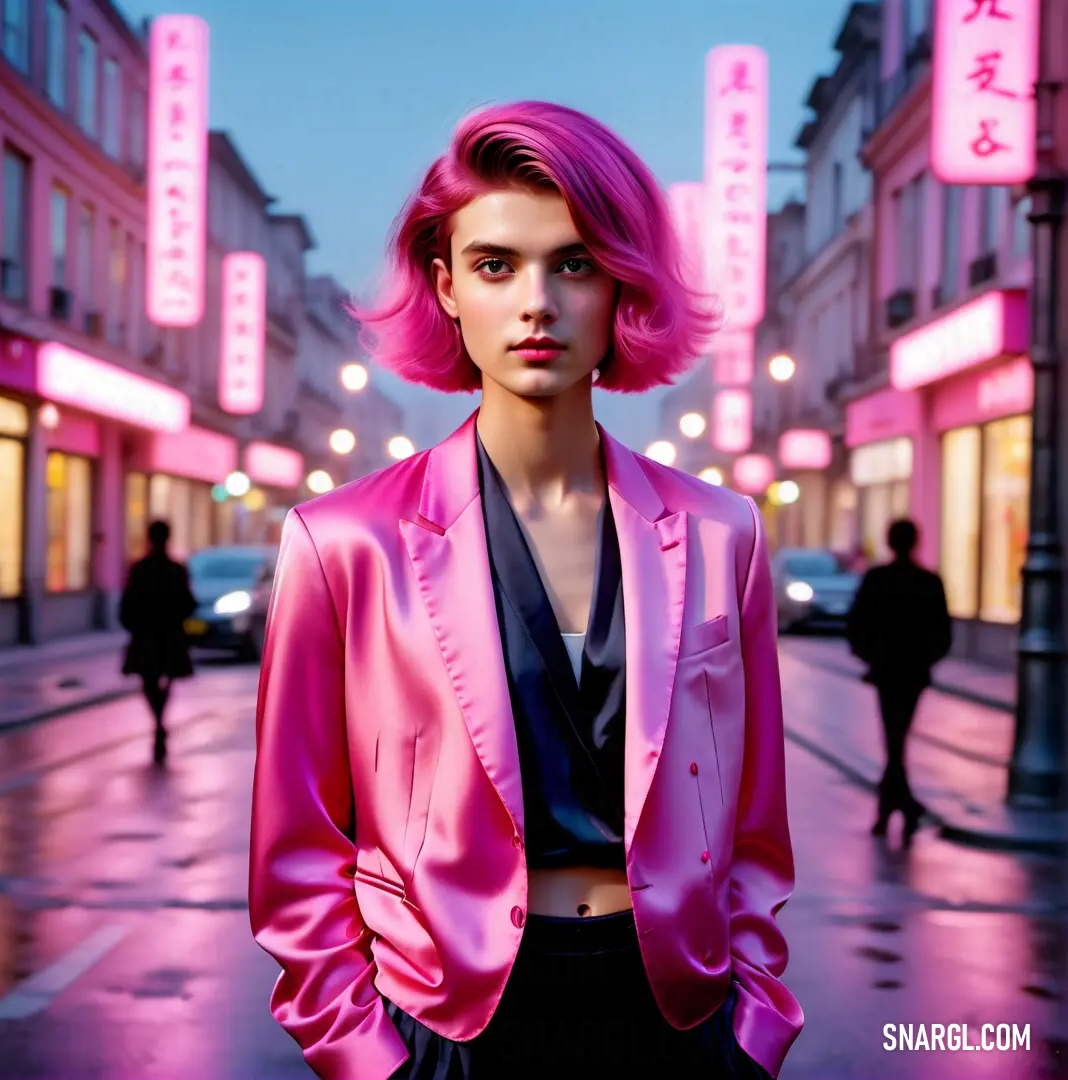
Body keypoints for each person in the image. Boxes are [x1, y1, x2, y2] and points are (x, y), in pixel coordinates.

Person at [249, 101, 803, 1080]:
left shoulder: (725, 534)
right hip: (445, 1030)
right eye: (496, 265)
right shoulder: (343, 544)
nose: (537, 302)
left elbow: (755, 827)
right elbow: (296, 852)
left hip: (679, 1019)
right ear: (447, 285)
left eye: (575, 262)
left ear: (620, 284)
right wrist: (367, 1057)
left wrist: (753, 1031)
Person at [846, 518, 952, 842]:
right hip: (913, 673)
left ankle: (894, 808)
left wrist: (871, 656)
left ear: (890, 542)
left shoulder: (878, 579)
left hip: (887, 671)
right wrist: (926, 659)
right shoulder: (928, 581)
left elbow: (856, 624)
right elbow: (943, 632)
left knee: (893, 740)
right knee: (896, 740)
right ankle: (903, 808)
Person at [119, 520, 197, 765]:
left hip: (146, 636)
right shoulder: (176, 569)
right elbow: (188, 603)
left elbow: (127, 604)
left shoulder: (140, 568)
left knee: (149, 681)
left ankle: (158, 722)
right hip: (169, 635)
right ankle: (160, 721)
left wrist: (134, 626)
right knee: (166, 680)